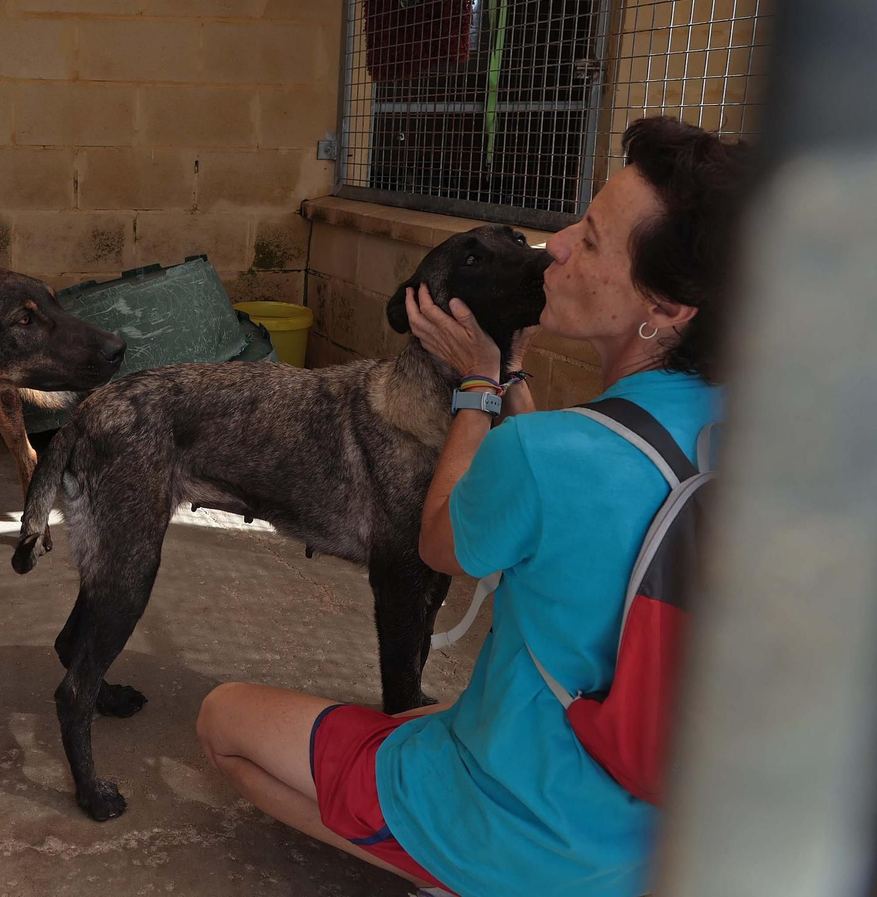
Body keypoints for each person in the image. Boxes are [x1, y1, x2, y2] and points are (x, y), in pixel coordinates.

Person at [195, 116, 755, 896]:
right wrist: (513, 370)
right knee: (428, 710)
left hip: (529, 826)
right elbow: (592, 468)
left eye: (590, 239)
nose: (556, 243)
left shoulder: (542, 453)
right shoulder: (747, 429)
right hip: (665, 828)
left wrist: (478, 387)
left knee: (226, 723)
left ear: (664, 304)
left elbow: (437, 541)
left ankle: (460, 869)